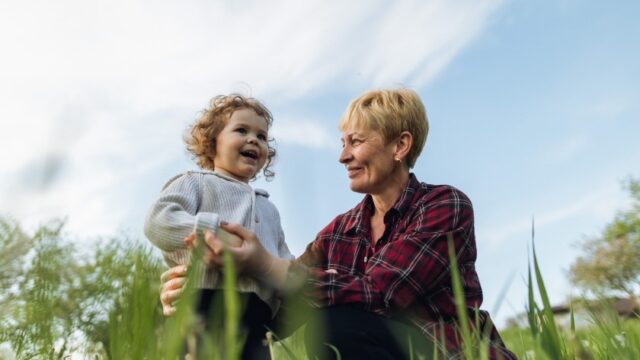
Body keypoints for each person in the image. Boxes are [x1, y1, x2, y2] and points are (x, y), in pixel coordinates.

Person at [159, 88, 516, 359]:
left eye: (355, 142)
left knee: (338, 324)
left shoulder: (444, 205)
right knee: (322, 326)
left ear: (400, 145)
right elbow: (285, 308)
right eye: (343, 143)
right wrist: (206, 297)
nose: (343, 156)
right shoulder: (337, 234)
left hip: (451, 352)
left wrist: (265, 264)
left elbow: (380, 292)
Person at [144, 94, 294, 360]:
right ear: (212, 143)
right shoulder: (195, 182)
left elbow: (283, 258)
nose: (254, 140)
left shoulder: (269, 209)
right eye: (241, 130)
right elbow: (159, 220)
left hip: (256, 320)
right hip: (203, 304)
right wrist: (208, 231)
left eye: (262, 137)